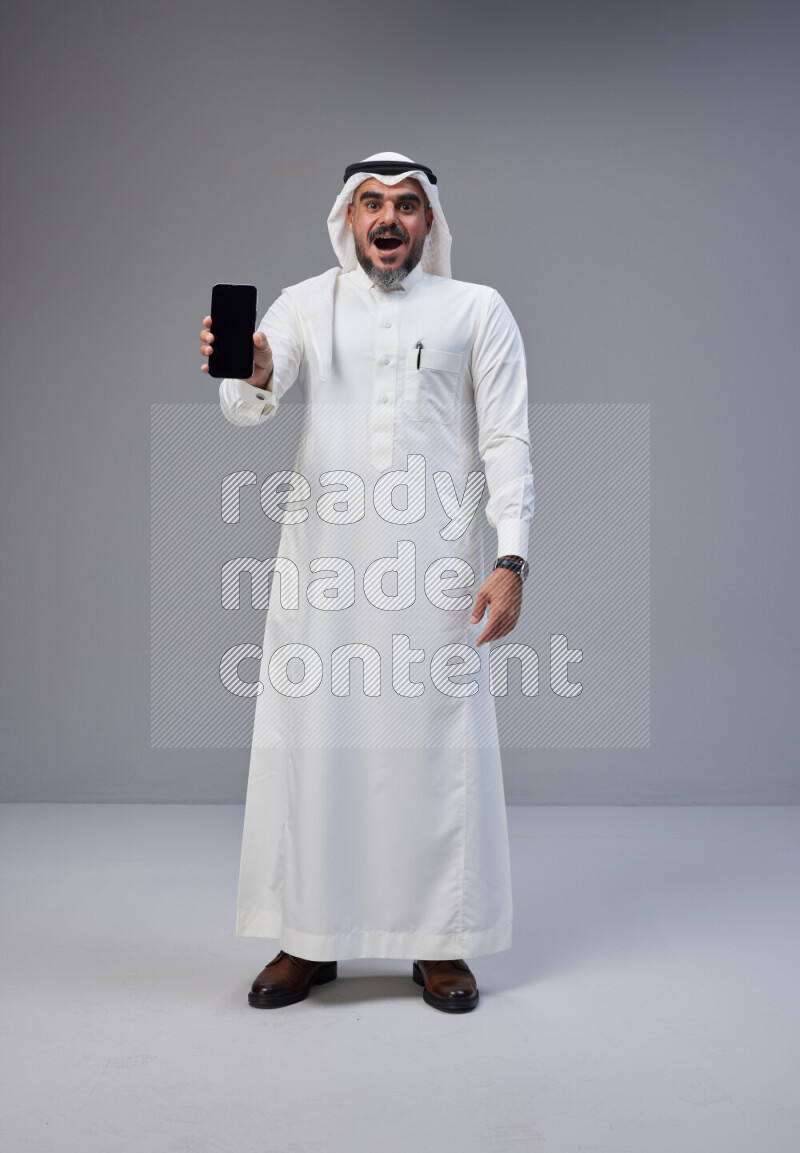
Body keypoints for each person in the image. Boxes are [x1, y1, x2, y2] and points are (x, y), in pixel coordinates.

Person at [200, 152, 534, 1013]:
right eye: (372, 205)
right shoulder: (308, 302)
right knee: (318, 747)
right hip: (326, 572)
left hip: (435, 570)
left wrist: (512, 557)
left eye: (408, 206)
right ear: (349, 218)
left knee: (431, 752)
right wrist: (257, 366)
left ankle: (437, 942)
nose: (389, 220)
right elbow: (249, 403)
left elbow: (507, 441)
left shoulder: (477, 310)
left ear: (431, 222)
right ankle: (309, 938)